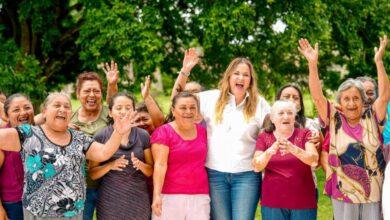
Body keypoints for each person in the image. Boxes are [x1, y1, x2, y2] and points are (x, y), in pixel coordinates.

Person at [0, 92, 139, 219]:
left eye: (67, 106)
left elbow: (104, 153)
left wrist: (118, 132)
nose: (62, 109)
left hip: (73, 213)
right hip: (38, 214)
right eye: (57, 105)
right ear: (44, 112)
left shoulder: (80, 138)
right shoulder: (27, 133)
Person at [172, 48, 271, 219]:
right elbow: (178, 98)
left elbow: (275, 126)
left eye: (245, 75)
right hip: (215, 175)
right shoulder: (211, 98)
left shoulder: (260, 104)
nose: (241, 78)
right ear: (229, 77)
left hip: (247, 175)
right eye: (236, 73)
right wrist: (185, 71)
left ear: (251, 80)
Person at [298, 35, 389, 220]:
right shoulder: (334, 118)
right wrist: (312, 65)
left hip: (373, 193)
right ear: (340, 101)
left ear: (363, 101)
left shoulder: (372, 117)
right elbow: (317, 96)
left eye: (356, 98)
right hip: (342, 193)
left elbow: (385, 95)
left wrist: (379, 61)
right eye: (346, 99)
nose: (351, 103)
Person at [88, 92, 153, 220]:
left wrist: (141, 165)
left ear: (134, 111)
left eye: (128, 108)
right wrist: (110, 166)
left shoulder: (143, 135)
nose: (124, 112)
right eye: (119, 108)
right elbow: (92, 173)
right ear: (111, 112)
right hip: (110, 199)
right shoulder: (101, 136)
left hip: (138, 199)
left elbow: (150, 170)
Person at [253, 100, 318, 220]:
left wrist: (293, 149)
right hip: (273, 201)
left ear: (294, 117)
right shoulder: (264, 137)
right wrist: (269, 152)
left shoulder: (305, 134)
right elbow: (257, 166)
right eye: (281, 113)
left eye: (290, 113)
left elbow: (314, 160)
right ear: (272, 118)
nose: (286, 116)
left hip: (303, 201)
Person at [69, 63, 118, 220]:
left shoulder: (108, 113)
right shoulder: (69, 119)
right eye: (87, 91)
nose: (92, 95)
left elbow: (114, 103)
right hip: (81, 187)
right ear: (78, 94)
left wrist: (112, 84)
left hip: (110, 185)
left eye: (96, 91)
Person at [151, 92, 209, 220]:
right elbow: (160, 165)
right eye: (183, 108)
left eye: (192, 107)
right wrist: (157, 195)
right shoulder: (163, 132)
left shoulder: (203, 132)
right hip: (169, 196)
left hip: (200, 195)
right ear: (173, 110)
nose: (188, 111)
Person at [0, 94, 35, 220]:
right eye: (16, 110)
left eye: (27, 107)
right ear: (7, 115)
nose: (23, 113)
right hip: (13, 204)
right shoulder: (2, 139)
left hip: (39, 202)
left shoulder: (40, 134)